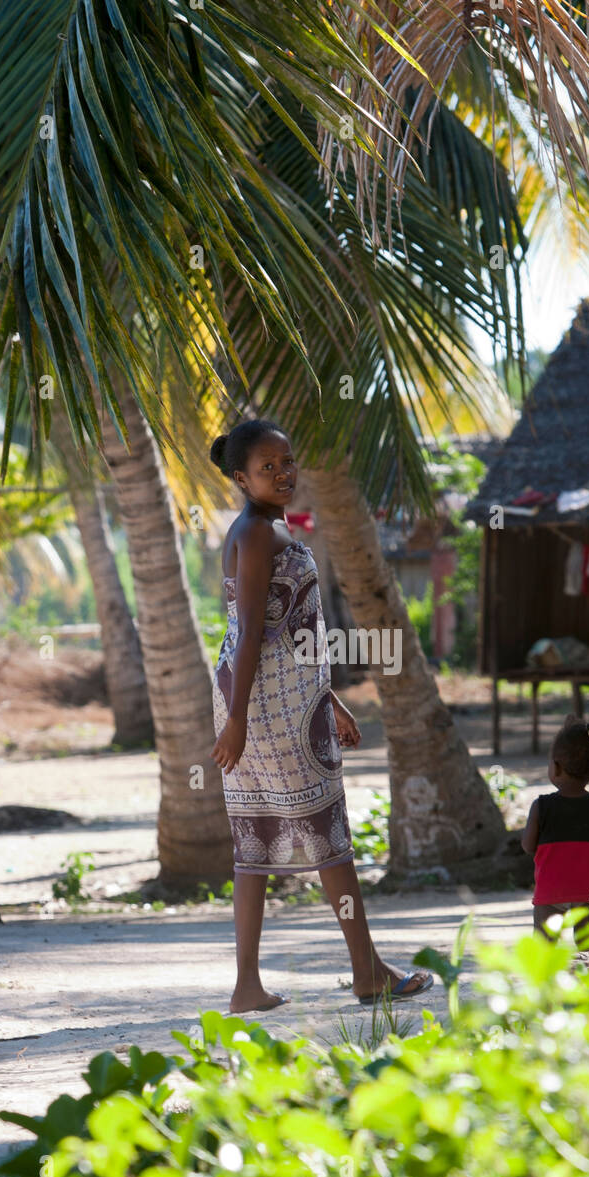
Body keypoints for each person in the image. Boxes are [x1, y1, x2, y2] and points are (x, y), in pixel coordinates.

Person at [208, 418, 434, 1013]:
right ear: (240, 477)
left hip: (259, 694)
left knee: (255, 843)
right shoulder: (257, 533)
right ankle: (368, 973)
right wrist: (238, 720)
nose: (283, 474)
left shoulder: (253, 528)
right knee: (328, 838)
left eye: (288, 462)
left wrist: (327, 699)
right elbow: (251, 629)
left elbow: (283, 626)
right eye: (267, 467)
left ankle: (248, 986)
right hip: (266, 704)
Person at [520, 714, 589, 950]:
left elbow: (527, 846)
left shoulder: (540, 806)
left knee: (544, 949)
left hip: (550, 891)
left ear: (556, 766)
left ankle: (545, 986)